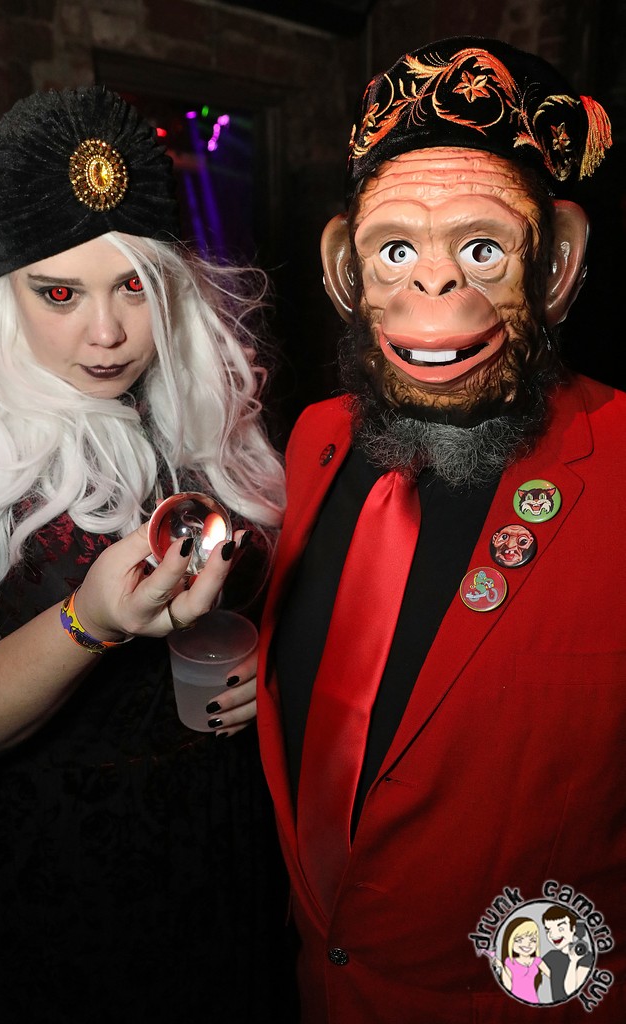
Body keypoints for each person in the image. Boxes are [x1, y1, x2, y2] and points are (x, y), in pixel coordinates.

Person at [256, 35, 626, 1022]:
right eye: (395, 250)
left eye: (480, 248)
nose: (434, 289)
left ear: (555, 268)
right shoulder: (314, 438)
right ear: (346, 272)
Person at [0, 86, 293, 1023]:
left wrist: (274, 667)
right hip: (40, 904)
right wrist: (89, 622)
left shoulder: (202, 405)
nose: (108, 332)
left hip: (216, 873)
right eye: (60, 293)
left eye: (133, 285)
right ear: (5, 291)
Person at [542, 905, 595, 1003]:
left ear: (573, 928)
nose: (553, 935)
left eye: (561, 929)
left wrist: (573, 961)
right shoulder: (551, 956)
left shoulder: (586, 957)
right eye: (548, 930)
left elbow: (571, 992)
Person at [493, 917, 550, 1004]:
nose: (527, 944)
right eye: (519, 940)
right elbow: (508, 986)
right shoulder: (509, 962)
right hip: (514, 1002)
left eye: (533, 940)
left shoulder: (537, 961)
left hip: (533, 1001)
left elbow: (553, 976)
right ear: (510, 941)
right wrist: (501, 967)